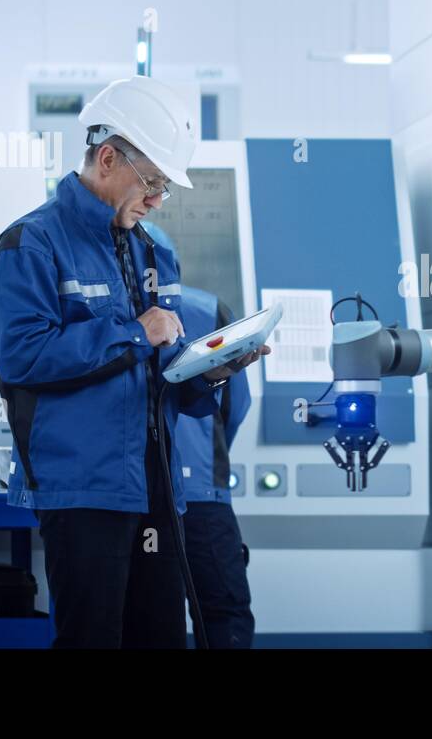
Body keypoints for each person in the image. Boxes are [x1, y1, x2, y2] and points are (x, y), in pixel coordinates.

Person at [0, 75, 267, 648]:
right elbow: (21, 358)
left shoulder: (155, 249)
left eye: (165, 186)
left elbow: (165, 377)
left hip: (157, 487)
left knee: (159, 639)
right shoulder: (29, 245)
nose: (159, 199)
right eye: (153, 181)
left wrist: (213, 369)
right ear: (107, 158)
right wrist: (136, 332)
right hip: (82, 490)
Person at [141, 222, 258, 649]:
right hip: (204, 493)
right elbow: (236, 405)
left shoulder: (116, 314)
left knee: (151, 615)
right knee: (222, 613)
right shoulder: (210, 311)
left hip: (144, 497)